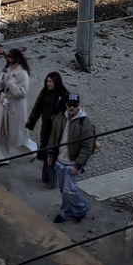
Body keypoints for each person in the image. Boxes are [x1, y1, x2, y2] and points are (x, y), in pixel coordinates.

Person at [53, 94, 98, 223]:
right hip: (60, 159)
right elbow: (54, 136)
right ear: (66, 105)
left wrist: (78, 165)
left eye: (74, 105)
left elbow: (87, 147)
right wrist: (51, 154)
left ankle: (80, 209)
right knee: (63, 188)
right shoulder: (61, 117)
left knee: (69, 190)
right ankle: (67, 211)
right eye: (69, 105)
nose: (72, 107)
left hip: (72, 162)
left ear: (78, 105)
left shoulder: (84, 123)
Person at [26, 70, 70, 186]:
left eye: (51, 81)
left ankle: (51, 178)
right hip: (46, 128)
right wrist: (31, 122)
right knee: (46, 149)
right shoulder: (45, 93)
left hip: (57, 129)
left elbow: (69, 111)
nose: (48, 84)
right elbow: (37, 108)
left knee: (53, 152)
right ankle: (46, 176)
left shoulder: (64, 95)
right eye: (47, 81)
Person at [0, 48, 31, 165]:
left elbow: (22, 93)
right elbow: (0, 85)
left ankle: (32, 151)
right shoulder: (7, 69)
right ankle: (2, 157)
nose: (9, 60)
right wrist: (2, 81)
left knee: (19, 134)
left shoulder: (22, 73)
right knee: (1, 132)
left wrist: (11, 85)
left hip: (15, 108)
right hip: (3, 106)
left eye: (11, 58)